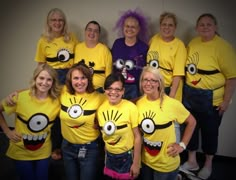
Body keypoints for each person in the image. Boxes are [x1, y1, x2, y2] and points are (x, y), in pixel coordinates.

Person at [181, 13, 236, 180]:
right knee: (190, 129)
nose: (205, 27)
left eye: (209, 24)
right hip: (191, 96)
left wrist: (226, 101)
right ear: (197, 28)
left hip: (212, 100)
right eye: (202, 25)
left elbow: (232, 77)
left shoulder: (223, 47)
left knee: (209, 133)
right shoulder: (193, 43)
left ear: (215, 27)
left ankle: (208, 164)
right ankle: (191, 161)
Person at [0, 64, 61, 180]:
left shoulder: (57, 101)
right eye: (41, 78)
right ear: (35, 79)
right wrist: (7, 131)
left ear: (53, 82)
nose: (44, 82)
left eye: (49, 79)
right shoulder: (20, 98)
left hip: (43, 150)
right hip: (21, 150)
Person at [136, 66, 196, 180]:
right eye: (145, 79)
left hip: (165, 165)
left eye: (153, 80)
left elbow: (192, 122)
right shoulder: (139, 103)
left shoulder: (171, 104)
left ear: (159, 83)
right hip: (146, 162)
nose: (148, 83)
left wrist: (182, 145)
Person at [35, 8, 79, 160]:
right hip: (52, 78)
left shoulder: (72, 37)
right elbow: (41, 66)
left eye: (60, 20)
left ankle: (71, 144)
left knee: (69, 111)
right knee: (54, 113)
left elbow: (78, 59)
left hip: (69, 77)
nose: (57, 23)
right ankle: (56, 147)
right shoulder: (43, 41)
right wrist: (40, 84)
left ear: (64, 22)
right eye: (54, 20)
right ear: (48, 22)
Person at [60, 62, 106, 180]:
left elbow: (120, 103)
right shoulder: (64, 92)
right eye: (76, 78)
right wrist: (16, 93)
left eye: (83, 78)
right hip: (67, 147)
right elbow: (40, 90)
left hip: (89, 149)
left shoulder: (98, 97)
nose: (79, 82)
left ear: (88, 79)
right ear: (70, 79)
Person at [147, 12, 187, 143]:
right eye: (164, 24)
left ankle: (174, 156)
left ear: (175, 27)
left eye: (170, 25)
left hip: (170, 89)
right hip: (153, 88)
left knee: (172, 123)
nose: (166, 27)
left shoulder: (179, 45)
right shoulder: (154, 39)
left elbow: (178, 74)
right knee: (155, 121)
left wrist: (172, 96)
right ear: (160, 25)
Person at [97, 73, 142, 179]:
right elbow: (105, 136)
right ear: (105, 90)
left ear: (123, 91)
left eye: (118, 89)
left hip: (127, 156)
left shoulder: (131, 108)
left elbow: (138, 137)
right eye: (109, 88)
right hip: (109, 156)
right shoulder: (101, 109)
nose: (113, 92)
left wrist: (136, 164)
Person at [111, 9, 149, 100]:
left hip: (135, 88)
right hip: (118, 86)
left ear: (139, 29)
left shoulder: (143, 47)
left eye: (133, 27)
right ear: (123, 27)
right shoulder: (117, 44)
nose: (129, 29)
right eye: (127, 26)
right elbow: (112, 65)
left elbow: (146, 71)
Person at [74, 20, 112, 93]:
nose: (92, 33)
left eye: (95, 31)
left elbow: (109, 76)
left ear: (99, 34)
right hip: (79, 87)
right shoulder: (77, 48)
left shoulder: (105, 50)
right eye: (89, 30)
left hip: (98, 90)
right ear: (85, 31)